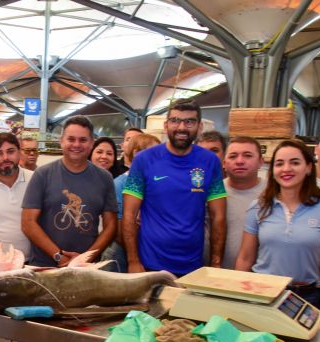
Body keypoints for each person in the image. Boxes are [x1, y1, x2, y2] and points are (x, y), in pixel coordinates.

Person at [235, 140, 320, 312]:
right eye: (279, 164)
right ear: (272, 171)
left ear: (308, 168)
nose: (286, 169)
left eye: (295, 162)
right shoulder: (259, 207)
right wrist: (238, 299)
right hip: (261, 294)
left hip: (306, 298)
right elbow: (245, 258)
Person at [122, 99, 226, 276]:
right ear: (166, 125)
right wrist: (133, 261)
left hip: (193, 266)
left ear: (200, 127)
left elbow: (219, 217)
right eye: (175, 120)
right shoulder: (144, 160)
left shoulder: (210, 161)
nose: (182, 127)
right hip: (149, 265)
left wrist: (215, 263)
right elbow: (129, 215)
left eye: (190, 121)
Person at [22, 116, 118, 267]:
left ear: (92, 143)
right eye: (71, 139)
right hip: (44, 266)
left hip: (86, 267)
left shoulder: (105, 178)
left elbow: (111, 225)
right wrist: (58, 256)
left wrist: (85, 258)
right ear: (62, 141)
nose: (76, 144)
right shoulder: (43, 174)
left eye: (83, 140)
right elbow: (28, 223)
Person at [102, 133, 160, 272]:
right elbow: (119, 230)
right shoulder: (120, 184)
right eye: (154, 153)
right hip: (121, 257)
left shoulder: (154, 182)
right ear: (137, 153)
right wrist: (135, 258)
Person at [222, 137, 266, 269]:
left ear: (260, 162)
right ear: (224, 163)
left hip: (263, 278)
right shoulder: (214, 193)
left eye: (248, 156)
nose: (240, 161)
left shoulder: (273, 193)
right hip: (216, 275)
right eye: (233, 156)